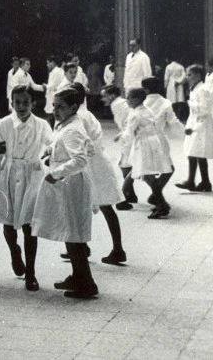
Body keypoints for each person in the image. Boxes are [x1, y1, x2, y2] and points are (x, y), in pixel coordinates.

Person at [0, 85, 52, 291]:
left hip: (32, 175)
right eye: (17, 102)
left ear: (33, 103)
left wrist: (50, 152)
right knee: (8, 219)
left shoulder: (41, 124)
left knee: (29, 225)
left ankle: (30, 273)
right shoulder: (4, 123)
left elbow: (52, 142)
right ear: (11, 103)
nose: (21, 107)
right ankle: (15, 252)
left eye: (26, 102)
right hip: (9, 173)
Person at [32, 87, 97, 298]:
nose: (55, 110)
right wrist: (50, 151)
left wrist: (56, 173)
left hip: (71, 183)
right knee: (70, 231)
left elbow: (80, 159)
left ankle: (86, 282)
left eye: (60, 107)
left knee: (73, 233)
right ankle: (78, 276)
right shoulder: (66, 124)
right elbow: (60, 143)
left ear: (74, 107)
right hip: (67, 182)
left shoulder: (73, 129)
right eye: (54, 106)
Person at [69, 83, 127, 266]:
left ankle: (115, 249)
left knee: (95, 205)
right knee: (97, 205)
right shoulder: (86, 114)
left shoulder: (79, 117)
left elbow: (78, 145)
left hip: (92, 165)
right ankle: (85, 246)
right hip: (97, 163)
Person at [115, 88, 173, 219]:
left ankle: (162, 205)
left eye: (128, 98)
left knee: (148, 176)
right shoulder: (147, 110)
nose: (127, 101)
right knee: (145, 173)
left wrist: (121, 140)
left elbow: (129, 133)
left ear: (136, 100)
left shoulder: (134, 114)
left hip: (143, 145)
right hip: (153, 142)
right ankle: (159, 202)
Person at [176, 65, 213, 193]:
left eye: (189, 75)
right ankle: (200, 181)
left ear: (198, 76)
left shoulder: (202, 89)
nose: (187, 78)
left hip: (201, 124)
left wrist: (190, 104)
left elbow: (204, 109)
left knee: (197, 152)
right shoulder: (194, 89)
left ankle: (197, 181)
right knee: (194, 152)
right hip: (194, 121)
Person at [101, 85, 135, 209]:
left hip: (129, 137)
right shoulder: (118, 104)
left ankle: (122, 197)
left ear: (112, 96)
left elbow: (127, 122)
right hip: (127, 135)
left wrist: (122, 134)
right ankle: (130, 193)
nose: (103, 99)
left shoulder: (117, 104)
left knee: (133, 166)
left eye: (105, 96)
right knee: (125, 165)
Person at [45, 56, 65, 127]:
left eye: (48, 63)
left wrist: (45, 86)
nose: (47, 65)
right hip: (51, 96)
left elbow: (53, 85)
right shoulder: (54, 71)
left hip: (54, 96)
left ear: (52, 63)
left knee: (52, 116)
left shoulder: (56, 71)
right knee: (51, 116)